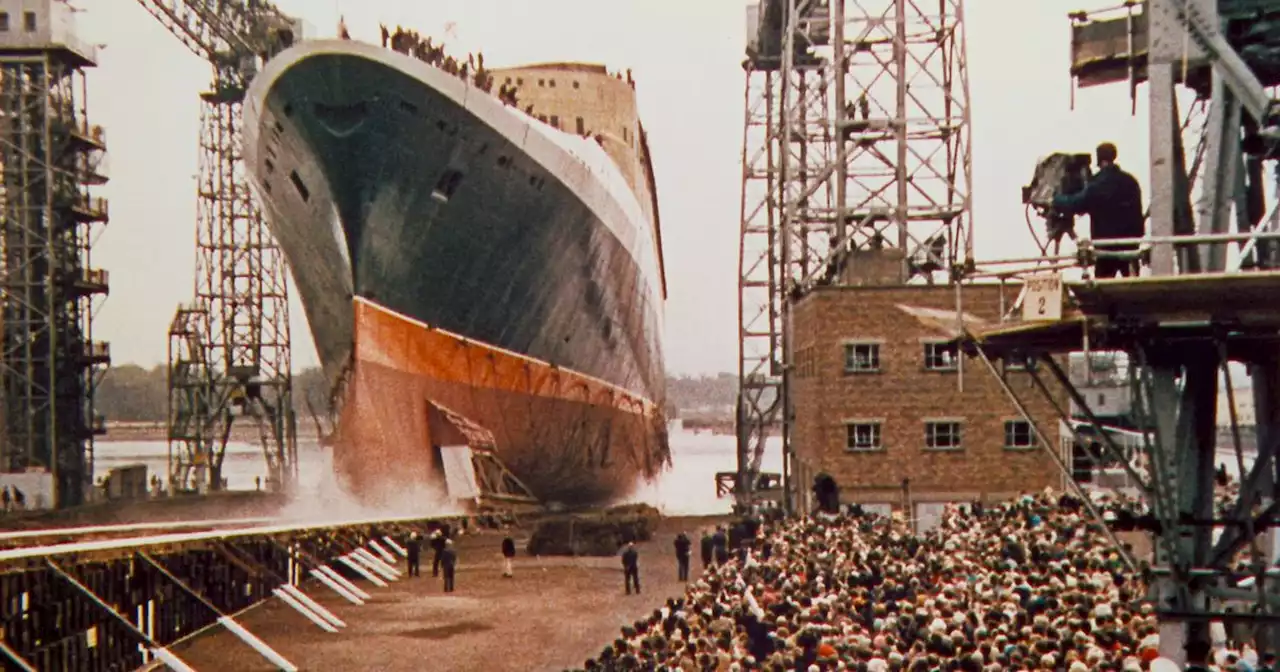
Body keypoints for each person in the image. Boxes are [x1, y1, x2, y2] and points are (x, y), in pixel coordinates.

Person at [1052, 142, 1145, 278]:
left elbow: (1075, 204)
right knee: (1133, 288)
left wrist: (1056, 199)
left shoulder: (1097, 185)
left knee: (1102, 291)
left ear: (1099, 159)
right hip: (1130, 248)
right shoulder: (1131, 182)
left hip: (1105, 250)